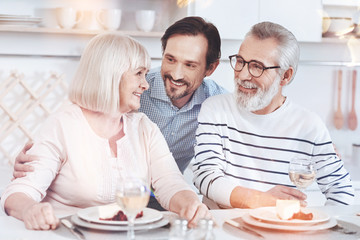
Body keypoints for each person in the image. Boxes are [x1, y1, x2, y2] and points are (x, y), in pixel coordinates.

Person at [12, 16, 227, 211]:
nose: (146, 84)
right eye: (170, 59)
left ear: (210, 68)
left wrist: (190, 203)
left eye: (190, 65)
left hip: (147, 213)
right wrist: (34, 181)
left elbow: (170, 182)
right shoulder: (65, 123)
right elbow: (23, 190)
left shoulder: (215, 106)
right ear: (111, 76)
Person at [192, 21, 355, 209]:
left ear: (285, 76)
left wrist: (319, 228)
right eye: (240, 61)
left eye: (257, 66)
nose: (243, 74)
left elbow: (342, 192)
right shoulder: (216, 109)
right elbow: (205, 175)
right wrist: (259, 200)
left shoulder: (309, 126)